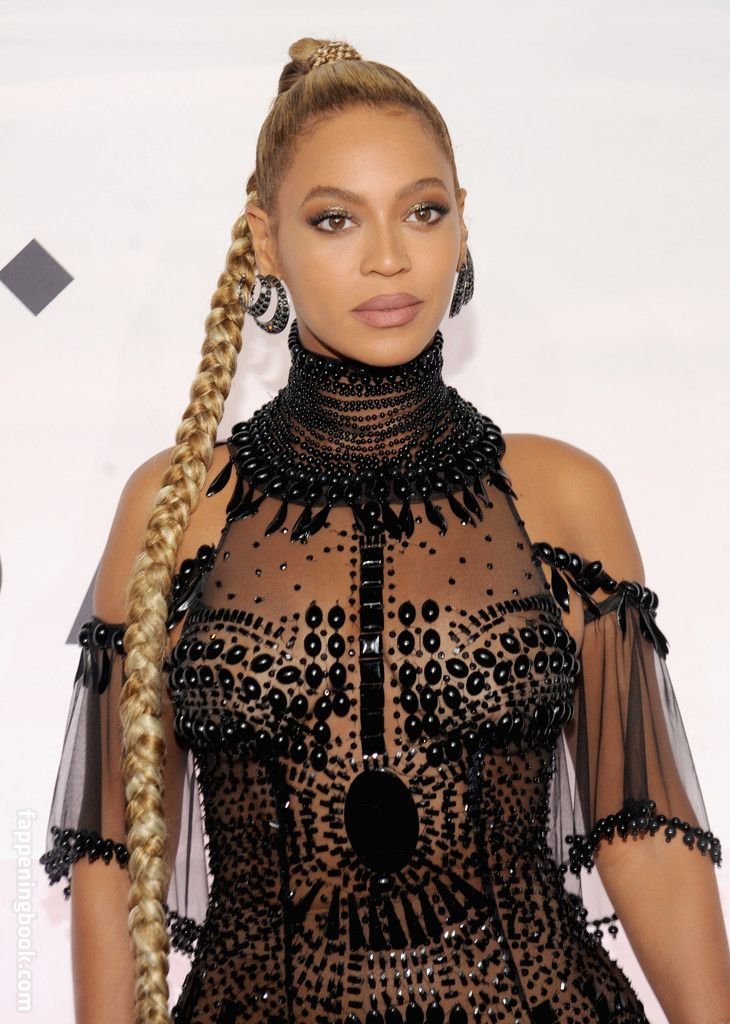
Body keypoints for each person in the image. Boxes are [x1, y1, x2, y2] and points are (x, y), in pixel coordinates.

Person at [38, 36, 730, 1024]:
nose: (389, 256)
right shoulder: (175, 508)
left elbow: (642, 835)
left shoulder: (565, 495)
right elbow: (116, 862)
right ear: (266, 240)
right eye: (335, 218)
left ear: (462, 223)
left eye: (423, 210)